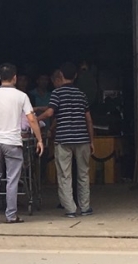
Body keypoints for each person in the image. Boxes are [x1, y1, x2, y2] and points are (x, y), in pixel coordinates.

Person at [0, 63, 44, 224]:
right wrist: (39, 139)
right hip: (12, 142)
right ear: (15, 78)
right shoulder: (21, 96)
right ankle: (11, 215)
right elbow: (31, 119)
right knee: (12, 178)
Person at [38, 62, 95, 218]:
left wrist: (35, 119)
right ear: (75, 76)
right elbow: (89, 120)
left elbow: (50, 113)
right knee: (83, 174)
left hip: (63, 139)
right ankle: (85, 207)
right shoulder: (82, 95)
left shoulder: (57, 93)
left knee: (65, 174)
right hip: (82, 138)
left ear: (61, 75)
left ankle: (70, 209)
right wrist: (91, 140)